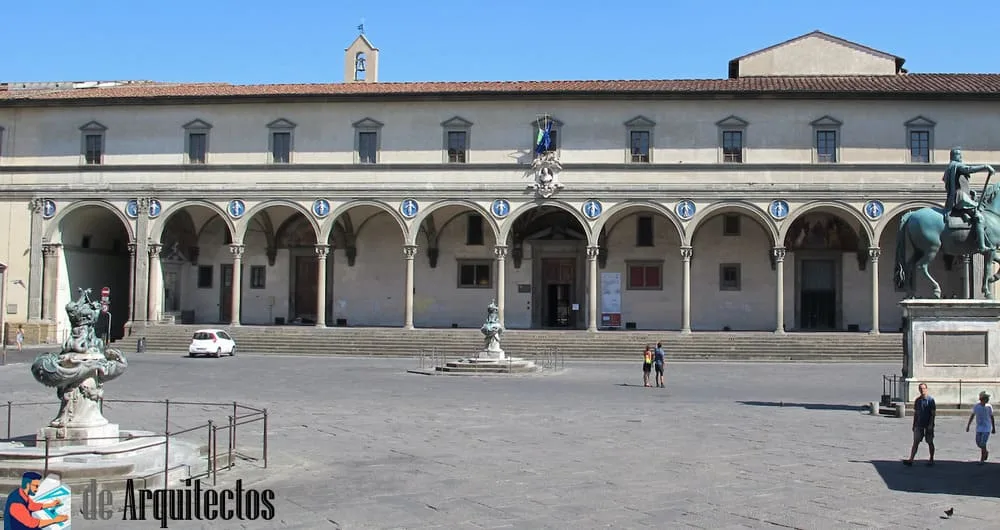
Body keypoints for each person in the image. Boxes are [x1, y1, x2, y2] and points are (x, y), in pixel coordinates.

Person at [942, 147, 996, 253]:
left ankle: (965, 217)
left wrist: (970, 192)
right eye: (959, 155)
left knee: (971, 213)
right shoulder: (957, 165)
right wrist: (985, 166)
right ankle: (981, 246)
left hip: (956, 197)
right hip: (960, 197)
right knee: (980, 217)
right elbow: (968, 169)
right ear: (953, 156)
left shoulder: (950, 168)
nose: (961, 157)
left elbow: (957, 183)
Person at [3, 471, 68, 529]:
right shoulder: (16, 503)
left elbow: (32, 506)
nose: (37, 489)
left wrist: (51, 504)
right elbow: (31, 523)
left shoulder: (21, 493)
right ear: (28, 485)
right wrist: (55, 520)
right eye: (36, 486)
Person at [904, 383, 936, 466]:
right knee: (915, 442)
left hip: (928, 425)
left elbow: (933, 414)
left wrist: (931, 425)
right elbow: (916, 413)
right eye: (920, 389)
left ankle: (931, 459)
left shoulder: (931, 400)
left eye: (923, 388)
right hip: (919, 424)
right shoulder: (918, 400)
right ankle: (911, 459)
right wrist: (914, 424)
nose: (922, 390)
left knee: (930, 442)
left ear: (926, 389)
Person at [966, 391, 996, 464]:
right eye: (986, 398)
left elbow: (992, 417)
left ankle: (982, 459)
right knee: (978, 443)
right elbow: (972, 415)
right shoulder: (977, 406)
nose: (987, 399)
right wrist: (968, 425)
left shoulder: (989, 407)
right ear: (982, 399)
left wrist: (993, 427)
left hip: (987, 428)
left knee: (983, 443)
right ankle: (985, 451)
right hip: (979, 427)